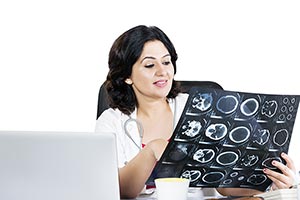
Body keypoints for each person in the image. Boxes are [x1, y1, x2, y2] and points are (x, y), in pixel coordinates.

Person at [95, 25, 298, 199]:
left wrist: (272, 183)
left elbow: (225, 186)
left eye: (166, 62)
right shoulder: (112, 121)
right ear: (126, 76)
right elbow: (117, 190)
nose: (162, 71)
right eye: (149, 64)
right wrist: (152, 151)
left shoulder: (201, 108)